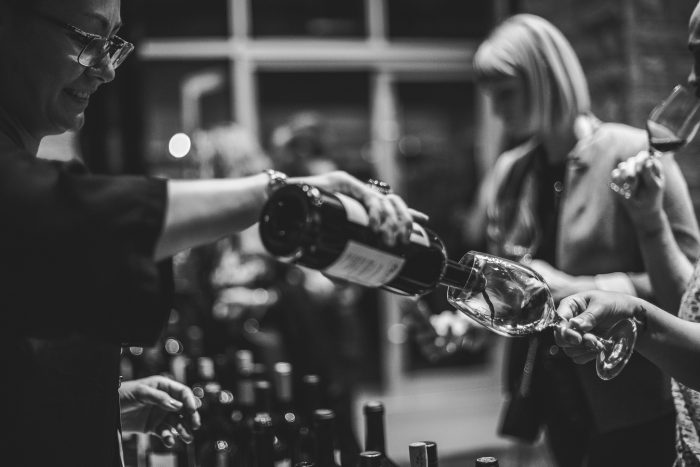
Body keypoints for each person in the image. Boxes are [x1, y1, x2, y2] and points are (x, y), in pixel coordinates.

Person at [0, 1, 419, 465]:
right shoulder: (23, 193)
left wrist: (107, 407)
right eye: (86, 39)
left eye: (112, 44)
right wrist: (274, 192)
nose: (107, 69)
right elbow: (60, 214)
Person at [469, 14, 700, 466]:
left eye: (506, 93)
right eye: (491, 96)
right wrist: (470, 323)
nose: (497, 110)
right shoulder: (511, 173)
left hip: (630, 403)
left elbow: (690, 295)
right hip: (550, 394)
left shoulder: (632, 152)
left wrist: (579, 288)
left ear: (544, 79)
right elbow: (510, 286)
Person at [556, 3, 700, 464]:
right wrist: (649, 221)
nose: (691, 79)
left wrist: (624, 307)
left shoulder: (620, 145)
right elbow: (690, 308)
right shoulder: (516, 170)